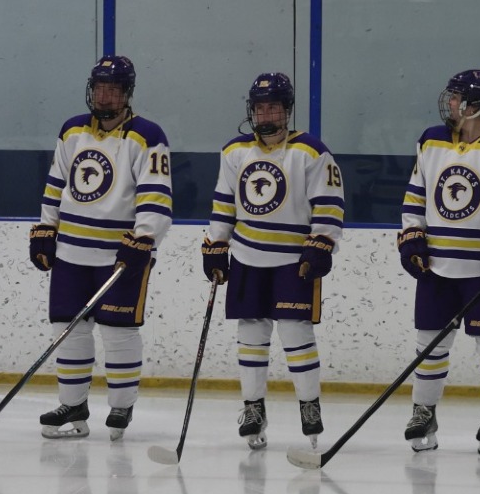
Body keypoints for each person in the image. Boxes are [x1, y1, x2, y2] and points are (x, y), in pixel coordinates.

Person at [31, 55, 171, 440]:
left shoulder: (147, 135)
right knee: (67, 328)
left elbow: (156, 195)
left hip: (119, 255)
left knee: (118, 329)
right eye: (100, 88)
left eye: (113, 89)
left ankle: (121, 406)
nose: (105, 96)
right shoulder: (72, 130)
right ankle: (73, 404)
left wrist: (144, 239)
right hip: (71, 253)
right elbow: (56, 183)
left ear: (127, 93)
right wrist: (46, 228)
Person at [202, 72, 343, 449]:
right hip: (248, 256)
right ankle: (253, 407)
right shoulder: (234, 152)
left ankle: (309, 406)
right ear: (252, 111)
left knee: (296, 333)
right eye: (260, 108)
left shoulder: (311, 152)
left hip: (293, 261)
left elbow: (328, 205)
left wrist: (320, 244)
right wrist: (216, 245)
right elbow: (223, 206)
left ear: (287, 111)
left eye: (274, 108)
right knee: (250, 334)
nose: (266, 115)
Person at [396, 70, 480, 452]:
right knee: (429, 342)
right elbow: (415, 194)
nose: (449, 103)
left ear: (476, 105)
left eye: (456, 98)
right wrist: (412, 237)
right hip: (436, 266)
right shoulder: (431, 140)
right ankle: (424, 411)